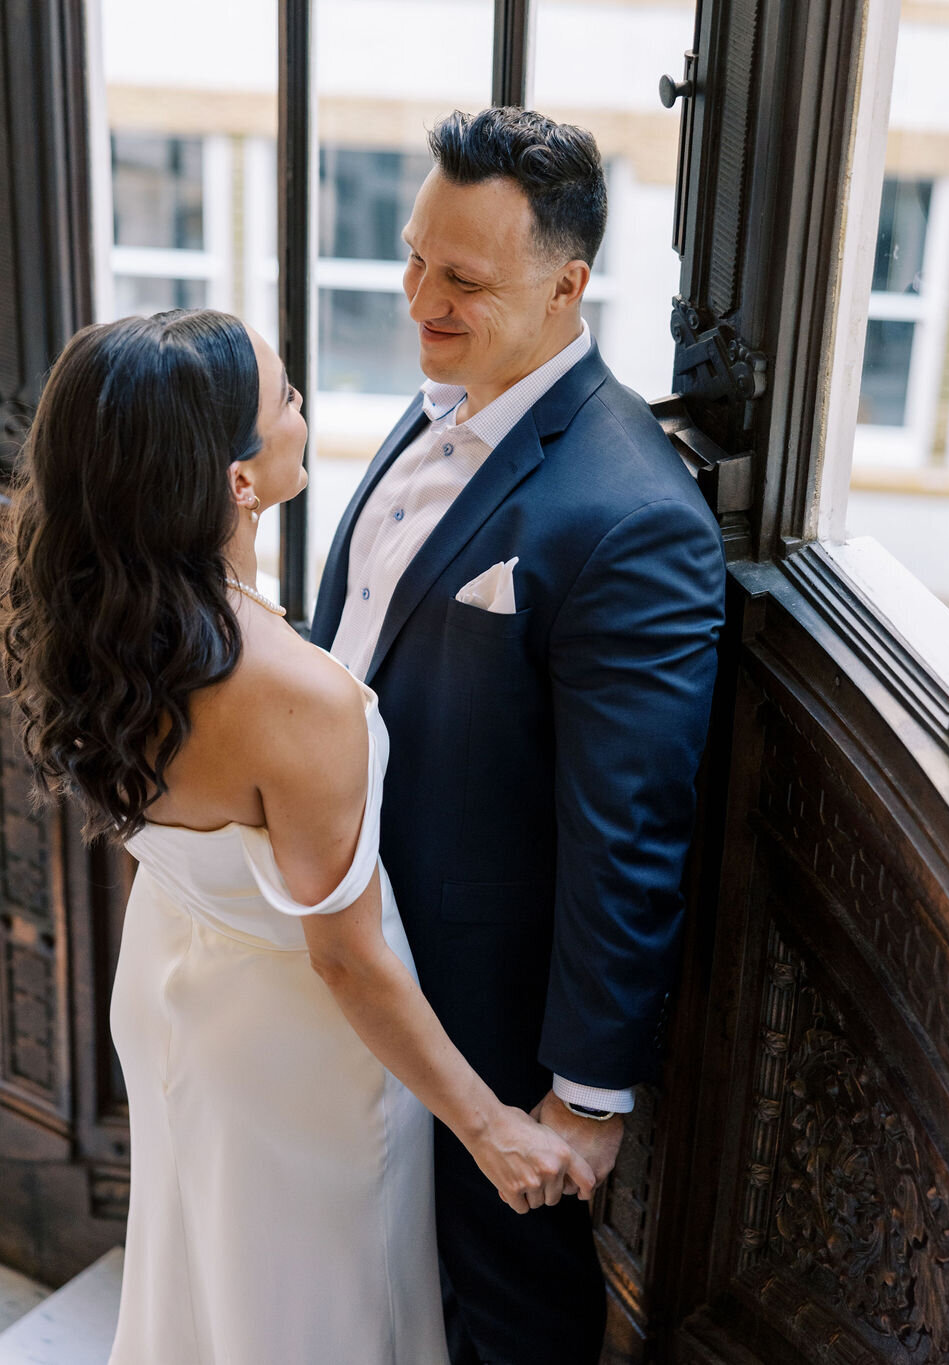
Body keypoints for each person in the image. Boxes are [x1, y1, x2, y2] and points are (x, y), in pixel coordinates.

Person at [0, 308, 596, 1365]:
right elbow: (347, 958)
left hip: (172, 985)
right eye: (282, 398)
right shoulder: (293, 697)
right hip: (296, 1046)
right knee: (324, 1312)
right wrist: (488, 1127)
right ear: (236, 480)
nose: (303, 406)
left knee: (211, 1277)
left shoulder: (100, 622)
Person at [311, 107, 727, 1365]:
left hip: (478, 1009)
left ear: (569, 285)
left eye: (464, 280)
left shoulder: (629, 514)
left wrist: (586, 1095)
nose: (419, 300)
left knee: (506, 1310)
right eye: (415, 258)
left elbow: (629, 827)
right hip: (356, 948)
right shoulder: (450, 386)